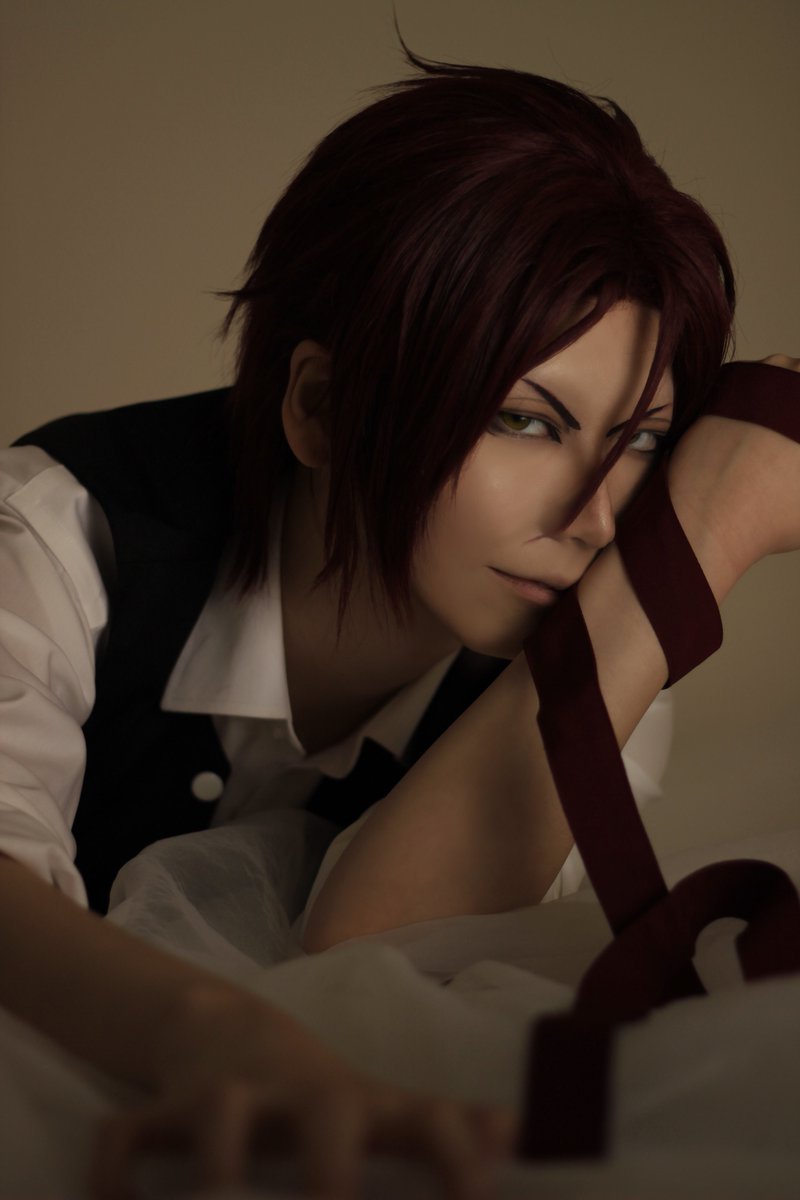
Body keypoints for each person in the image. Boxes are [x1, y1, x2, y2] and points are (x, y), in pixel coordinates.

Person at [1, 44, 798, 1199]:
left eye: (636, 443)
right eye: (526, 421)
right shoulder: (62, 533)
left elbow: (377, 965)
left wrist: (708, 531)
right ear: (321, 407)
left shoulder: (594, 642)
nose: (590, 519)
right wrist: (212, 1037)